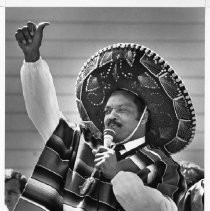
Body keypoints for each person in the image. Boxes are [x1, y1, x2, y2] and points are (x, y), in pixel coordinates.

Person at [14, 22, 196, 211]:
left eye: (122, 110)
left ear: (144, 116)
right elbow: (43, 113)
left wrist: (116, 174)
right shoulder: (80, 142)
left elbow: (165, 209)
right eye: (107, 111)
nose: (111, 116)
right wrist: (32, 60)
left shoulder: (163, 164)